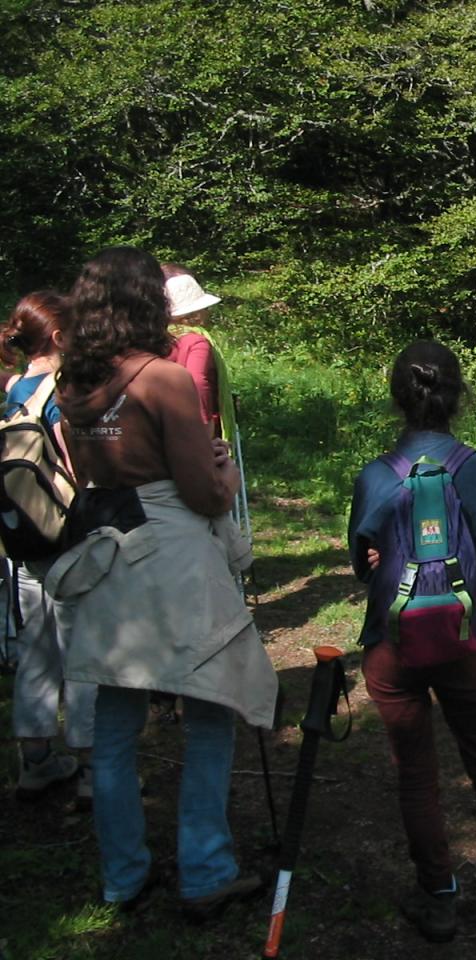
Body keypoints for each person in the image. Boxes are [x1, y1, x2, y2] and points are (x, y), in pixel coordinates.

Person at [49, 247, 277, 919]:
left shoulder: (73, 385)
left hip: (108, 547)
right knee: (211, 706)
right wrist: (225, 475)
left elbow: (85, 471)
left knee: (117, 720)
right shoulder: (161, 379)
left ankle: (123, 874)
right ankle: (205, 868)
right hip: (172, 550)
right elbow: (205, 494)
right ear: (142, 301)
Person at [349, 339, 476, 942]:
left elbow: (365, 567)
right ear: (457, 395)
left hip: (394, 644)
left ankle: (438, 897)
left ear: (397, 397)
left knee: (416, 772)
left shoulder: (374, 477)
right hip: (463, 635)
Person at [1, 292, 95, 807]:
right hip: (69, 533)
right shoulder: (65, 389)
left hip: (24, 535)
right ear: (60, 337)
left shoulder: (16, 386)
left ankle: (35, 760)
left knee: (36, 646)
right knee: (83, 650)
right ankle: (89, 767)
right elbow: (79, 467)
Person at [161, 263, 238, 444]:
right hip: (196, 428)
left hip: (165, 424)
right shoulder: (195, 341)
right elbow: (197, 382)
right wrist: (206, 427)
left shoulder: (157, 337)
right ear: (195, 311)